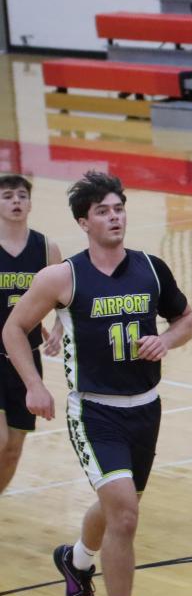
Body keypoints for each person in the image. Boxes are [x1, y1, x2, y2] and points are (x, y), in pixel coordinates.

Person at [2, 171, 192, 596]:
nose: (115, 216)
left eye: (120, 208)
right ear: (84, 221)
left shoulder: (152, 270)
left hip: (146, 408)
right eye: (104, 211)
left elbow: (186, 319)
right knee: (126, 516)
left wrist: (168, 341)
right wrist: (33, 386)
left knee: (118, 507)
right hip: (95, 410)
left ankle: (78, 559)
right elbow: (13, 328)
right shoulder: (62, 277)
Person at [0, 174, 63, 494]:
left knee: (11, 450)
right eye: (8, 196)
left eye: (22, 196)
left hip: (24, 359)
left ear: (30, 203)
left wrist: (57, 327)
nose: (15, 202)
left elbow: (66, 296)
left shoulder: (45, 248)